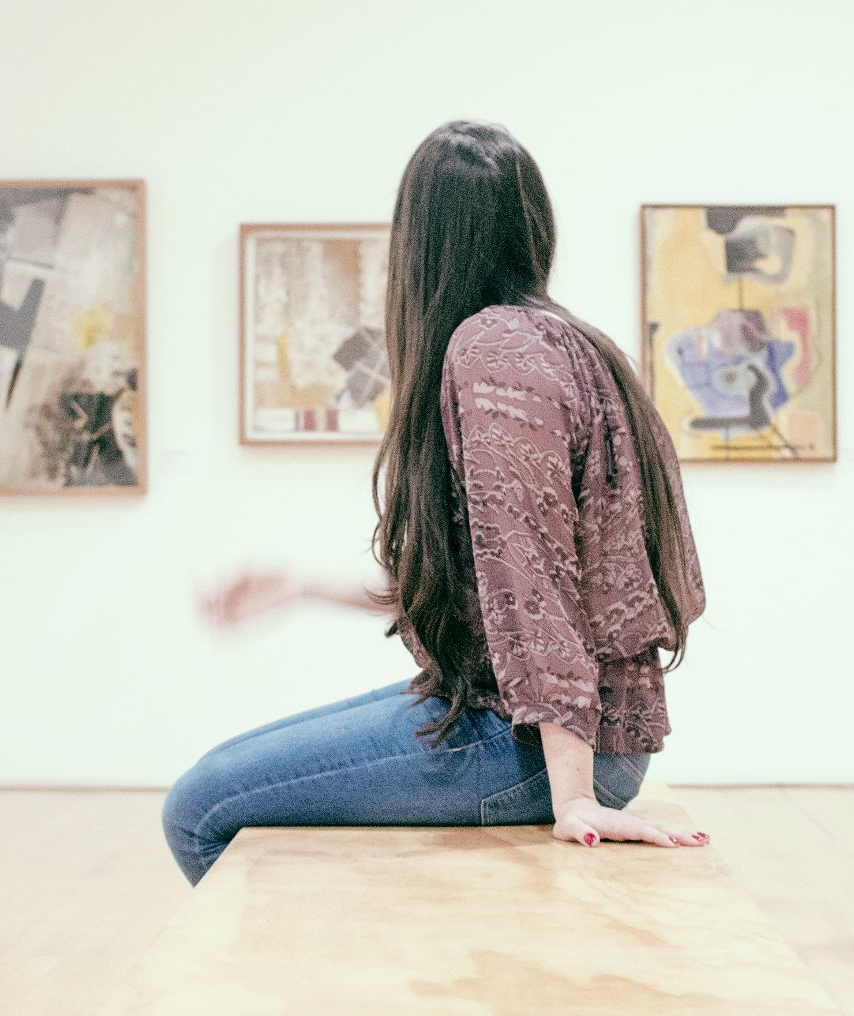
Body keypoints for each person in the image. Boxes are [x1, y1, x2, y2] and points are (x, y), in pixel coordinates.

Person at [161, 120, 710, 885]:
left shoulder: (492, 350)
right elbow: (490, 583)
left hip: (535, 745)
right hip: (543, 727)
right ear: (532, 225)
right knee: (219, 779)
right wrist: (303, 586)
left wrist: (576, 797)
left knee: (200, 808)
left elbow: (532, 576)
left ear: (418, 241)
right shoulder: (564, 340)